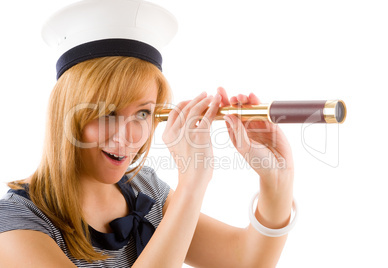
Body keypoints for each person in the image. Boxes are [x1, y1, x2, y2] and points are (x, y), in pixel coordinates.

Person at [0, 0, 296, 267]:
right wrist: (192, 184)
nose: (127, 136)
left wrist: (276, 183)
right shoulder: (15, 224)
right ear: (65, 115)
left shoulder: (144, 187)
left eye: (142, 113)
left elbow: (243, 260)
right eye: (108, 113)